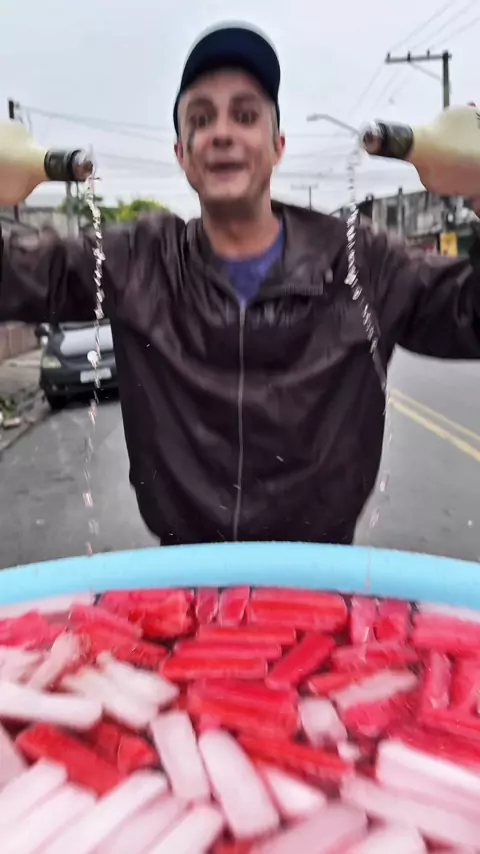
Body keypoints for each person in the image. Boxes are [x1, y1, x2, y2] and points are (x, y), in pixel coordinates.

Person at [1, 23, 480, 548]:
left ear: (277, 146)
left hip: (319, 575)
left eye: (246, 116)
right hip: (186, 576)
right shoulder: (136, 260)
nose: (223, 133)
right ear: (182, 154)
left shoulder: (361, 263)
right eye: (201, 119)